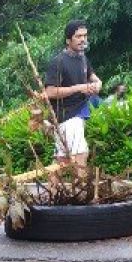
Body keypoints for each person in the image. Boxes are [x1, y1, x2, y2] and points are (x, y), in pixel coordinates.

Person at [43, 19, 103, 167]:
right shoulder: (58, 62)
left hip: (78, 114)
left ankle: (52, 189)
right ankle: (81, 189)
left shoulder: (82, 58)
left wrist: (98, 84)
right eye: (78, 36)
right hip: (67, 116)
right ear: (68, 40)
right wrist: (80, 88)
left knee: (61, 161)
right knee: (80, 155)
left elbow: (93, 77)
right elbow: (49, 91)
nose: (83, 39)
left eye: (85, 35)